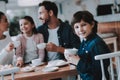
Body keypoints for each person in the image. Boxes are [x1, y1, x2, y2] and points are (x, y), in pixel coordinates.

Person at [67, 11, 110, 80]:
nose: (80, 29)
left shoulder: (96, 43)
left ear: (92, 24)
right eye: (77, 27)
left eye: (83, 25)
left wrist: (78, 62)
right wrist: (74, 60)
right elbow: (84, 61)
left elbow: (99, 69)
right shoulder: (85, 41)